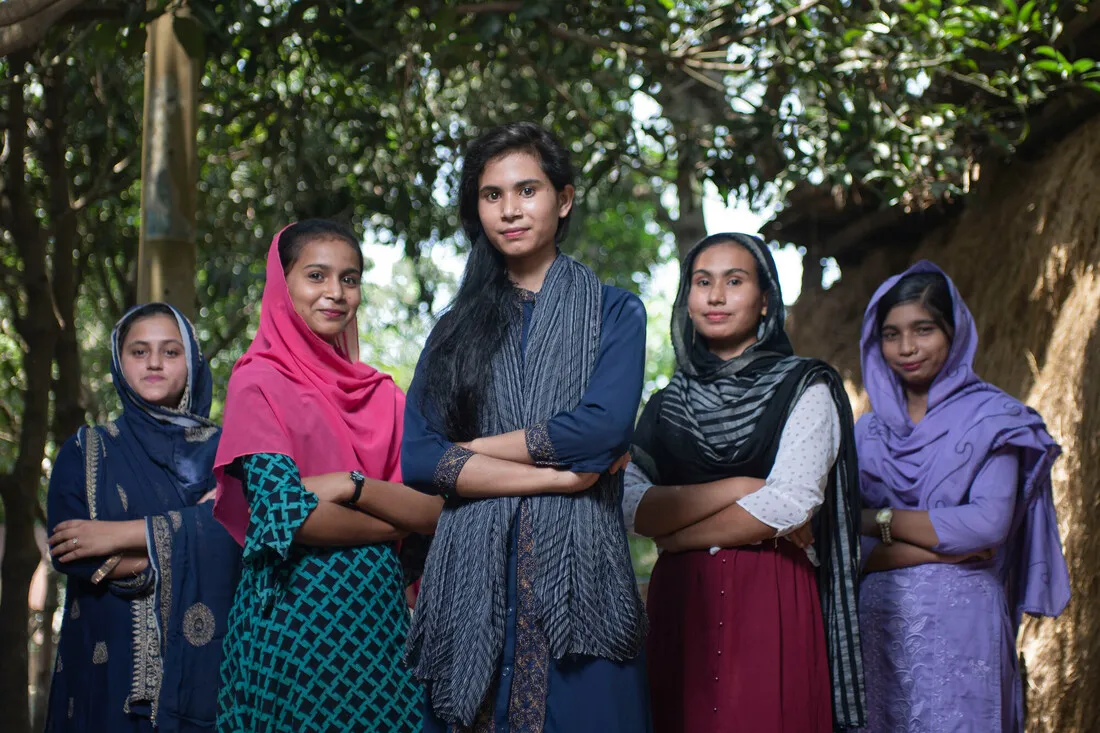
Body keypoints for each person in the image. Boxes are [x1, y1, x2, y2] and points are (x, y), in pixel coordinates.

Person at [402, 121, 651, 732]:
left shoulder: (614, 312)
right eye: (492, 196)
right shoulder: (455, 329)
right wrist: (557, 480)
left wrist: (470, 453)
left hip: (581, 588)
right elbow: (416, 459)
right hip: (467, 582)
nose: (510, 210)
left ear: (563, 199)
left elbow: (602, 429)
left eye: (527, 190)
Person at [625, 232, 867, 732]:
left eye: (734, 281)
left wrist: (675, 536)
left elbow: (791, 504)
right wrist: (740, 486)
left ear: (764, 302)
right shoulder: (664, 408)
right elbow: (631, 507)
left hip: (770, 601)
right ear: (685, 300)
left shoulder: (805, 384)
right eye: (702, 282)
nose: (715, 296)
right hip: (679, 607)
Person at [213, 219, 441, 732]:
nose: (335, 293)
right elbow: (287, 520)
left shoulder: (386, 397)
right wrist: (389, 523)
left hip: (377, 628)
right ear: (283, 282)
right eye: (316, 276)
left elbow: (433, 512)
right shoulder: (257, 382)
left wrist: (348, 485)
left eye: (350, 278)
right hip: (291, 625)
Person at [856, 261, 1070, 732]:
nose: (907, 348)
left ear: (954, 333)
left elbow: (987, 526)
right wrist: (945, 548)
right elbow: (846, 546)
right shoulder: (866, 434)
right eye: (891, 334)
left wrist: (876, 520)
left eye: (923, 329)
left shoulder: (996, 419)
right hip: (878, 630)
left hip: (963, 629)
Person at [45, 302, 241, 732]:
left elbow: (238, 539)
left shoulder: (229, 454)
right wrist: (192, 535)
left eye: (171, 352)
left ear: (192, 363)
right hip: (105, 657)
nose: (154, 362)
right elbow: (68, 549)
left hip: (208, 662)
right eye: (139, 351)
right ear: (119, 360)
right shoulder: (86, 449)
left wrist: (116, 536)